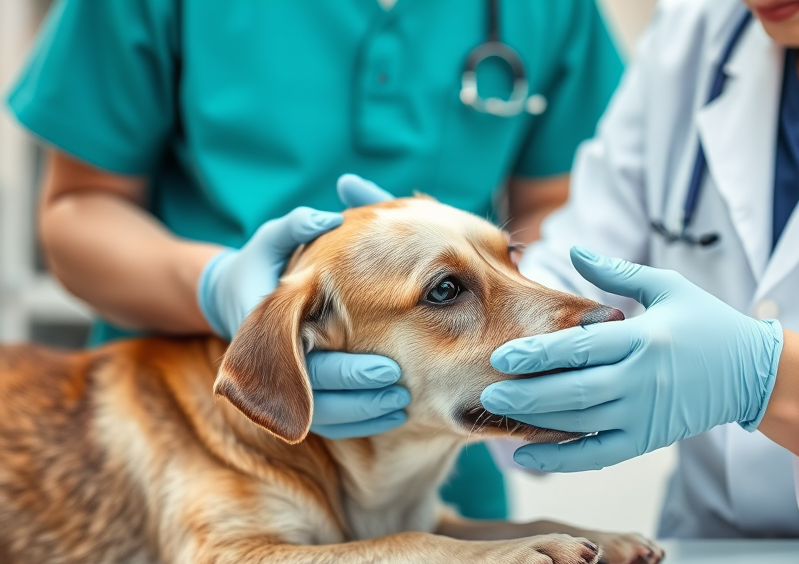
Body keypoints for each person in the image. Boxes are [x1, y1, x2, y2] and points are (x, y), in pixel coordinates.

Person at [343, 0, 799, 553]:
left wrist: (767, 379)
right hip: (706, 550)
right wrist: (433, 303)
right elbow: (579, 259)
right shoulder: (700, 35)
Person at [6, 0, 623, 520]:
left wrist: (526, 338)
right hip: (199, 437)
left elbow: (562, 204)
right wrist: (215, 287)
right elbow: (81, 208)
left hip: (438, 464)